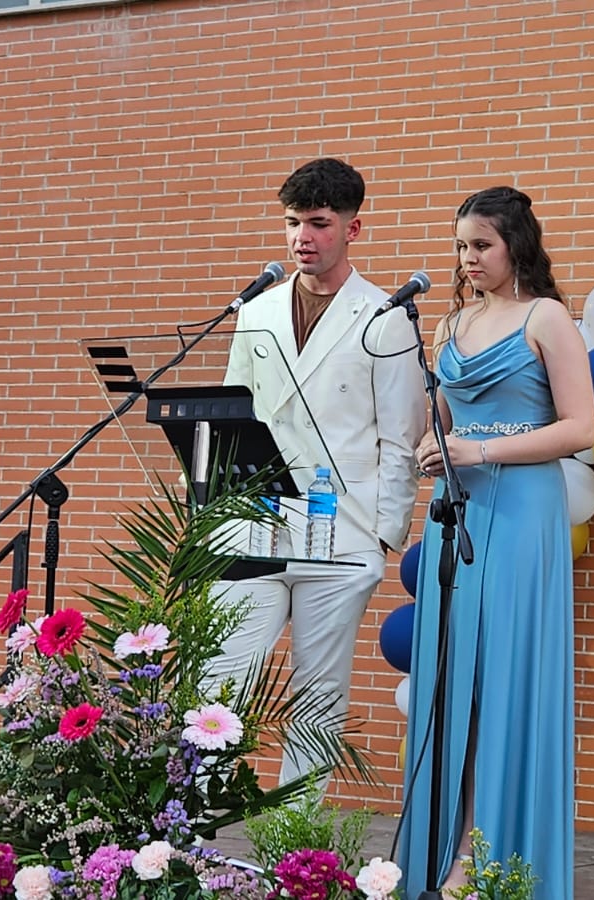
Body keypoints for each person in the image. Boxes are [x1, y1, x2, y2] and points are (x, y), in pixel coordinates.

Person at [398, 186, 594, 899]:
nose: (468, 258)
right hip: (459, 511)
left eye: (481, 245)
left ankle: (484, 860)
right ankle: (445, 848)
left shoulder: (547, 318)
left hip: (520, 515)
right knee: (456, 683)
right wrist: (432, 443)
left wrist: (484, 452)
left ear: (516, 244)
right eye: (460, 246)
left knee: (502, 680)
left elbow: (582, 429)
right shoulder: (451, 323)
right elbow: (440, 419)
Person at [206, 158, 426, 785]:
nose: (303, 237)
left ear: (354, 229)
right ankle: (189, 832)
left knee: (317, 697)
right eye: (293, 222)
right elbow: (232, 415)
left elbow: (401, 435)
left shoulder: (384, 316)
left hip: (344, 531)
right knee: (219, 678)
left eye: (319, 224)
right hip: (254, 523)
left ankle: (293, 849)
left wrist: (384, 535)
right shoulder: (256, 312)